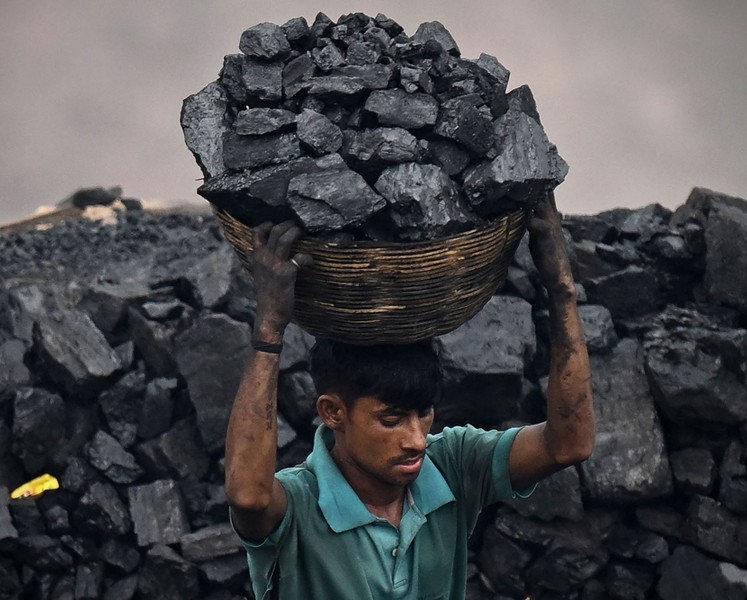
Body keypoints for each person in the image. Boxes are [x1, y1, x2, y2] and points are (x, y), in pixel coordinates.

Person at [224, 193, 595, 600]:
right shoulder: (299, 503)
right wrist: (269, 328)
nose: (417, 440)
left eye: (424, 414)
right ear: (333, 412)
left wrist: (562, 290)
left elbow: (568, 444)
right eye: (392, 419)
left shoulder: (453, 465)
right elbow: (248, 496)